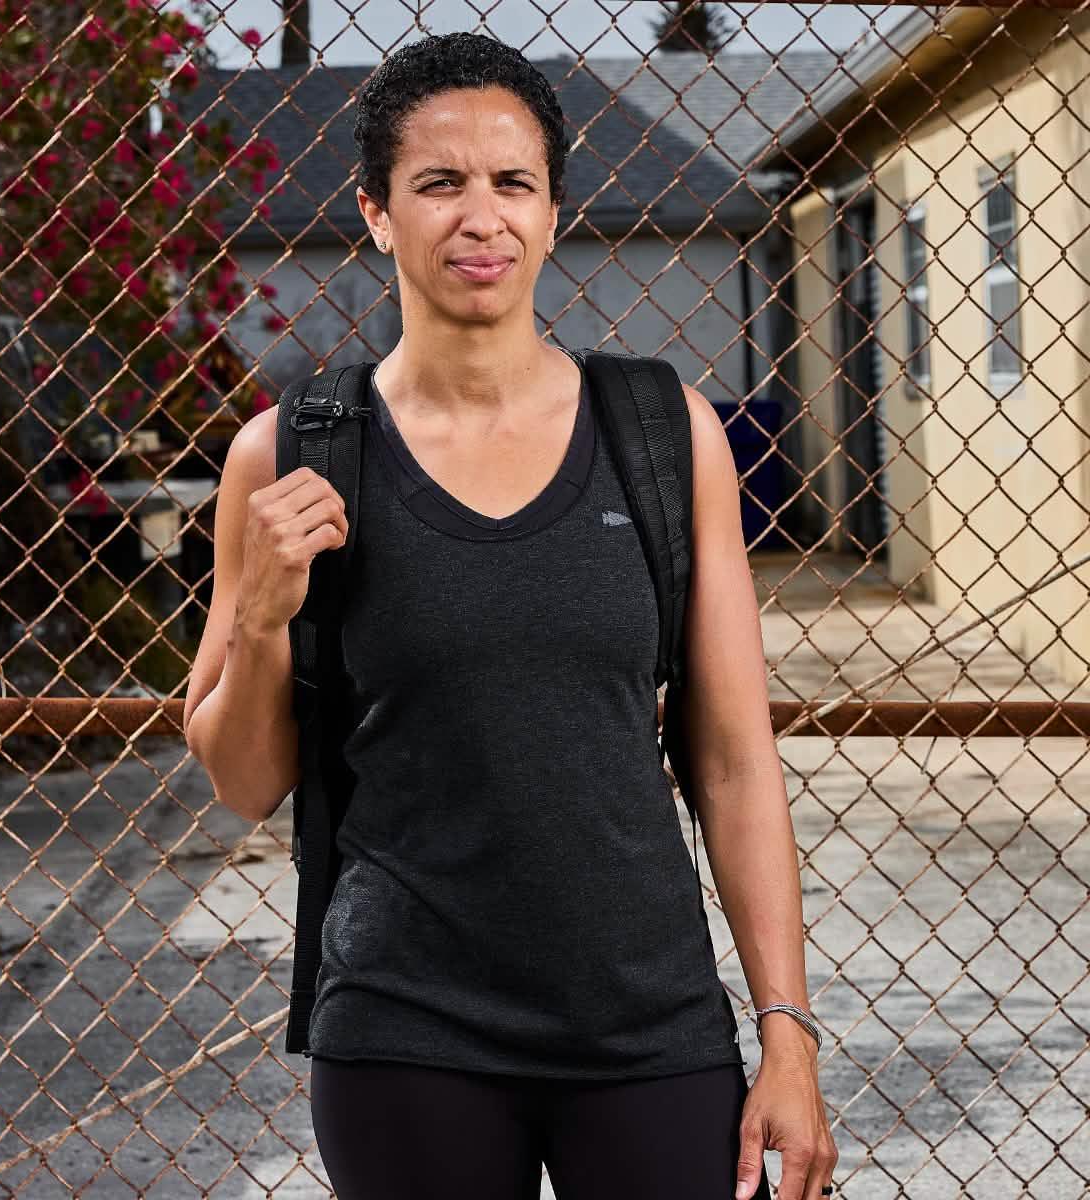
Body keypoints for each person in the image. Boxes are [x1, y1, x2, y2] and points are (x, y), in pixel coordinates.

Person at [183, 29, 838, 1200]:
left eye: (512, 183)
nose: (479, 216)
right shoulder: (286, 456)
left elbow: (736, 761)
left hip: (647, 1020)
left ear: (551, 211)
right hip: (405, 1028)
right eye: (439, 183)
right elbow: (242, 781)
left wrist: (786, 1029)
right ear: (378, 213)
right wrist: (266, 617)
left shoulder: (659, 431)